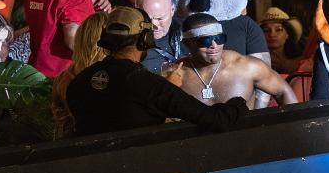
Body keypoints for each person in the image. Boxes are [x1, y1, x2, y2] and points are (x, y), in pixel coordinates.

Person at [63, 9, 246, 135]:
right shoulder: (151, 87)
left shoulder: (78, 83)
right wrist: (238, 103)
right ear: (145, 39)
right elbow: (216, 120)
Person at [165, 13, 297, 109]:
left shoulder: (245, 67)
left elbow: (283, 91)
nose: (214, 45)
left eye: (219, 38)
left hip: (245, 143)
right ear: (188, 44)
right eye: (204, 41)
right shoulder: (175, 75)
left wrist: (295, 134)